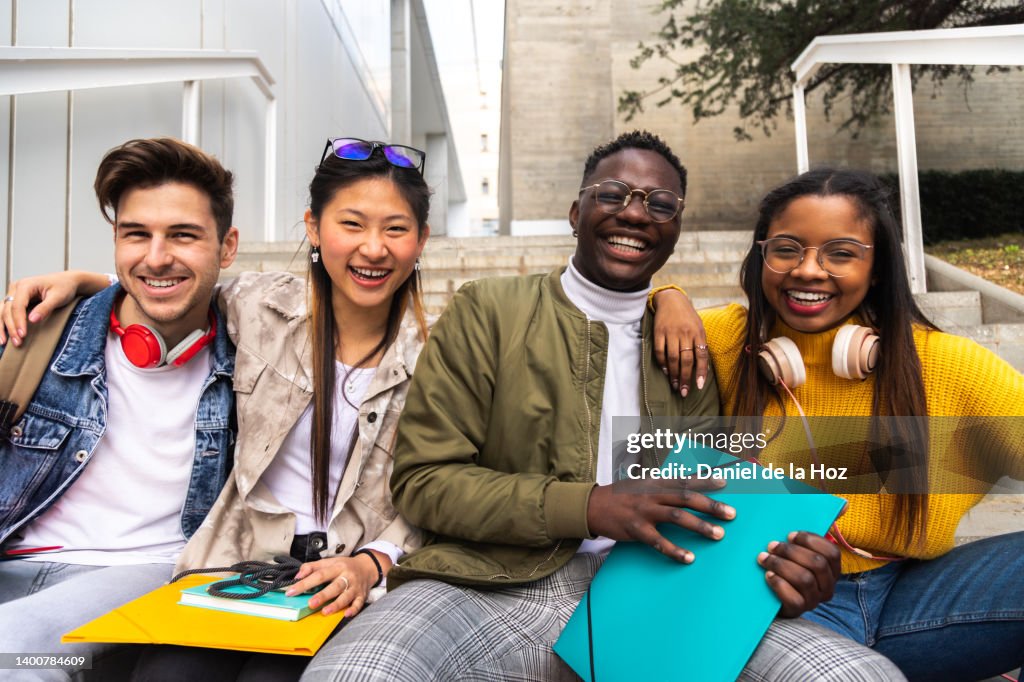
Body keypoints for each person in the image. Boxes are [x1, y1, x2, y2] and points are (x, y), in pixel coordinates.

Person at [301, 132, 906, 681]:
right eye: (613, 193)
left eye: (660, 204)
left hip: (658, 591)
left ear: (674, 229)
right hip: (484, 583)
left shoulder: (696, 350)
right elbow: (425, 482)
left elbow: (716, 504)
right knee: (355, 674)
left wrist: (781, 576)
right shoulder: (490, 310)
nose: (636, 212)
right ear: (575, 211)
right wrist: (589, 506)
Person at [3, 137, 431, 681]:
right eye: (352, 224)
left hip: (306, 575)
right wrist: (88, 284)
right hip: (234, 563)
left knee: (14, 655)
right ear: (313, 229)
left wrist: (375, 561)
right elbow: (164, 283)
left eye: (394, 229)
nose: (373, 247)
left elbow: (438, 489)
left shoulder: (436, 359)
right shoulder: (262, 313)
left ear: (421, 240)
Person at [650, 167, 1024, 681]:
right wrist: (667, 296)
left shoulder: (947, 363)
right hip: (774, 606)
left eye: (841, 253)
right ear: (761, 257)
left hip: (914, 597)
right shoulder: (723, 341)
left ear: (878, 268)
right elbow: (611, 315)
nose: (808, 270)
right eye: (786, 249)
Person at [0, 137, 239, 680]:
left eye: (183, 235)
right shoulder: (38, 335)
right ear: (115, 239)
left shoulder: (259, 350)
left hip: (141, 573)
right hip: (16, 564)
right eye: (137, 235)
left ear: (227, 248)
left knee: (13, 657)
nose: (156, 257)